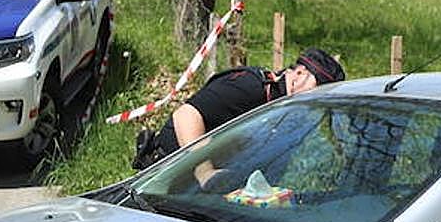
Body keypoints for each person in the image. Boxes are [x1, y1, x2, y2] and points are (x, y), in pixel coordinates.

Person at [132, 47, 344, 172]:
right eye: (317, 90)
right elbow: (186, 115)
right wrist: (205, 172)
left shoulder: (287, 112)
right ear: (298, 74)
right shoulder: (250, 86)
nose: (317, 101)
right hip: (168, 171)